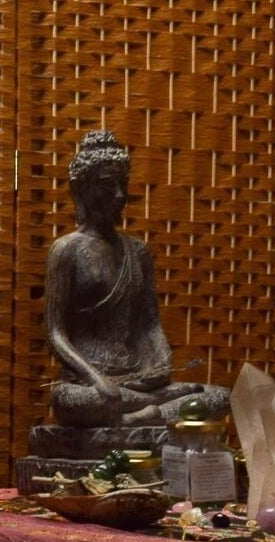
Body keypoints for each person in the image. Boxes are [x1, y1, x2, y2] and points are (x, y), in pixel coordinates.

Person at [43, 130, 228, 428]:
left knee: (218, 397)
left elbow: (149, 323)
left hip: (138, 381)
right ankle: (150, 416)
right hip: (88, 383)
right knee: (78, 401)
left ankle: (138, 417)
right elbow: (55, 334)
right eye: (107, 186)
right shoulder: (66, 250)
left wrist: (161, 363)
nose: (119, 195)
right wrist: (95, 377)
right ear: (83, 190)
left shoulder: (137, 251)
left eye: (123, 185)